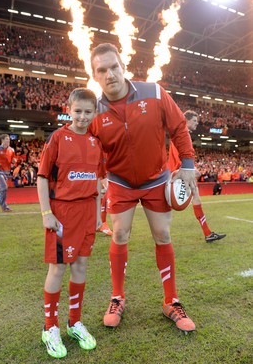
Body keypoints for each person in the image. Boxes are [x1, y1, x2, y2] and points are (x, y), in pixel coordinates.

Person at [89, 43, 197, 333]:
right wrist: (97, 176)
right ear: (95, 76)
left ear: (123, 67)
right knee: (120, 233)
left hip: (156, 178)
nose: (110, 74)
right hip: (120, 181)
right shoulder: (94, 110)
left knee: (162, 235)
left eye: (114, 67)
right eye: (102, 70)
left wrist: (186, 164)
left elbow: (178, 127)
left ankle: (171, 301)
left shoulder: (154, 92)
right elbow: (92, 149)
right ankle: (117, 298)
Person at [37, 88, 104, 359]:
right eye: (78, 111)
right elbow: (42, 177)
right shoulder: (57, 138)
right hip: (62, 213)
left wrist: (99, 215)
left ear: (94, 113)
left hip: (88, 212)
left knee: (81, 265)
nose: (82, 116)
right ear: (69, 109)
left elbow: (98, 184)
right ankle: (49, 328)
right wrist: (46, 213)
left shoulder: (95, 143)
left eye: (88, 112)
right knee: (58, 268)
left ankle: (74, 321)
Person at [169, 110, 226, 242]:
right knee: (169, 205)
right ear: (186, 120)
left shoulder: (181, 134)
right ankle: (207, 233)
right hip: (180, 173)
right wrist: (191, 169)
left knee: (195, 197)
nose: (197, 123)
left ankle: (208, 234)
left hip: (180, 171)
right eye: (194, 121)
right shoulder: (182, 135)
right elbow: (179, 155)